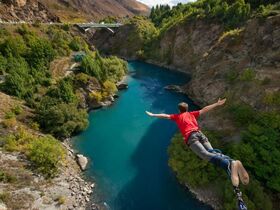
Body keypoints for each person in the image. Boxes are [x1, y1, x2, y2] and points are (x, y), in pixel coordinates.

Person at [145, 98, 249, 187]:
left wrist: (153, 114)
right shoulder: (192, 114)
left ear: (179, 110)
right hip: (200, 134)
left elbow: (165, 116)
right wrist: (217, 104)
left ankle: (230, 165)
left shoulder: (177, 117)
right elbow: (204, 109)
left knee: (205, 155)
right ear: (187, 109)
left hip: (191, 138)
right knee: (213, 153)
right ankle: (232, 162)